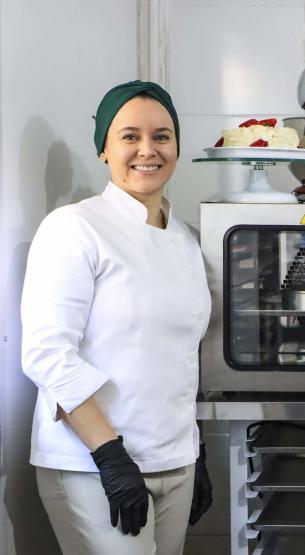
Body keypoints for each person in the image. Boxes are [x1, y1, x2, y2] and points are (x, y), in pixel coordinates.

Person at [21, 81, 214, 554]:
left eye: (162, 136)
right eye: (130, 136)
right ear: (104, 149)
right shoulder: (74, 228)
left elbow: (182, 354)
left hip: (174, 460)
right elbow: (47, 355)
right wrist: (110, 454)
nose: (148, 150)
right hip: (93, 464)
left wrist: (196, 447)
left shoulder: (186, 239)